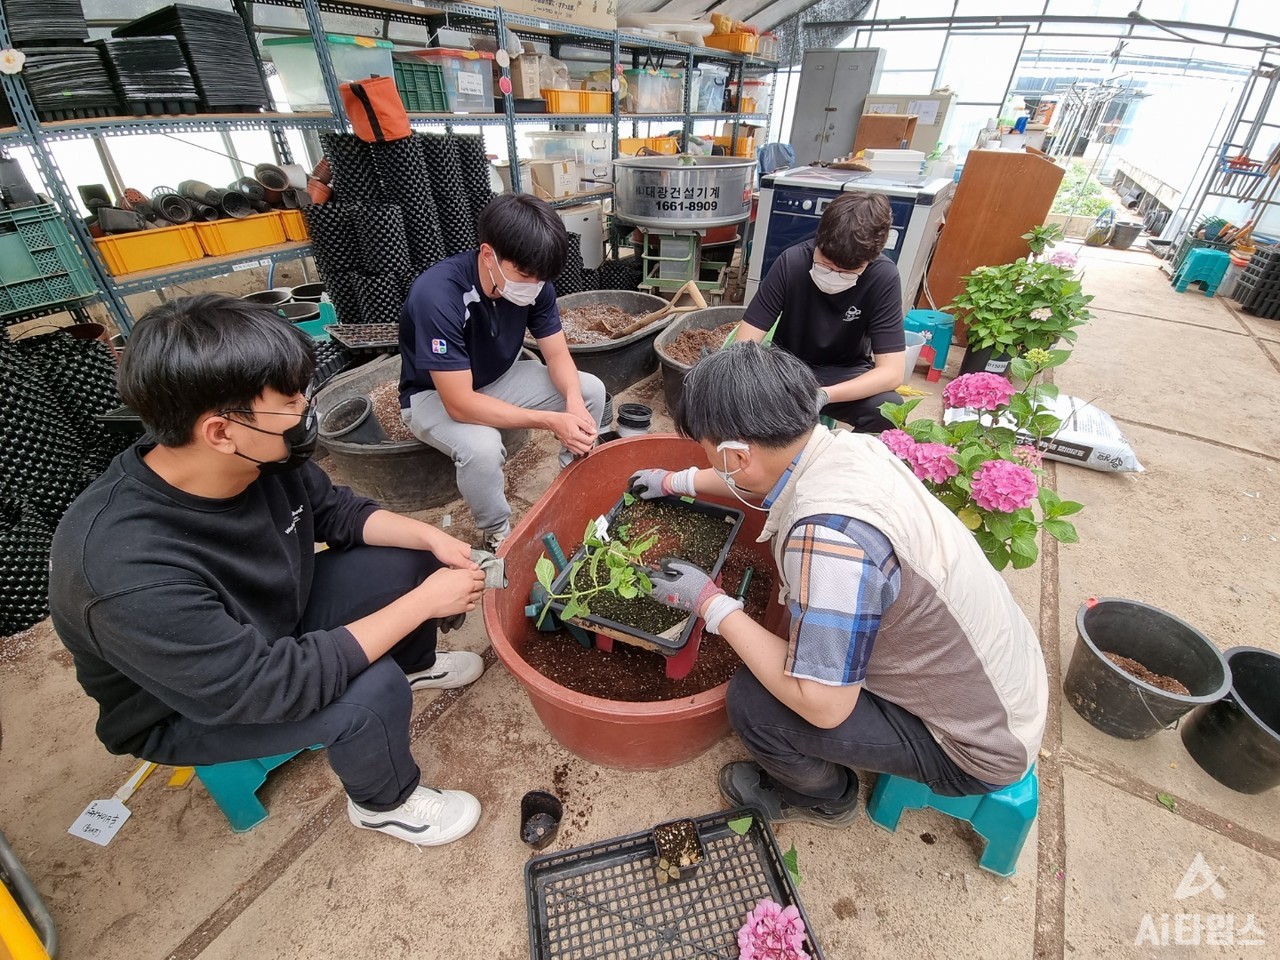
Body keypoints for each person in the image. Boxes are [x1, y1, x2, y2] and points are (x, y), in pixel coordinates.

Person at [50, 296, 490, 847]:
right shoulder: (120, 569)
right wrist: (424, 604)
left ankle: (414, 665)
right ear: (220, 430)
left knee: (411, 559)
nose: (306, 408)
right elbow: (271, 688)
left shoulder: (257, 456)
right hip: (197, 701)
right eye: (289, 400)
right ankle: (386, 803)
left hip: (272, 618)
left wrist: (432, 538)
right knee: (368, 689)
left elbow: (336, 512)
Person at [629, 342, 1047, 826]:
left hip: (977, 747)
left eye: (708, 450)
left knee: (754, 703)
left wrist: (711, 604)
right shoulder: (845, 446)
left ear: (736, 455)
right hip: (1003, 685)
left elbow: (825, 708)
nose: (708, 460)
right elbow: (757, 476)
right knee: (791, 642)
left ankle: (827, 797)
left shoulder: (828, 542)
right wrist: (676, 481)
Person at [399, 193, 607, 551]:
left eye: (540, 278)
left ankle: (573, 488)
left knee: (590, 390)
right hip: (433, 395)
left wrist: (572, 402)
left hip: (499, 379)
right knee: (482, 447)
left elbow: (557, 355)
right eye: (524, 275)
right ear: (487, 254)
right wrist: (549, 420)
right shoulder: (438, 296)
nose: (533, 286)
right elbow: (460, 404)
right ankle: (497, 532)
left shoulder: (535, 284)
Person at [737, 192, 906, 433]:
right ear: (818, 240)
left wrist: (824, 395)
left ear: (870, 259)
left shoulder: (883, 277)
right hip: (786, 370)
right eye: (825, 265)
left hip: (845, 374)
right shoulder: (792, 262)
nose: (833, 275)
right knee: (740, 397)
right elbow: (745, 343)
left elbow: (892, 372)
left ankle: (839, 463)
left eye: (847, 272)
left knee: (888, 409)